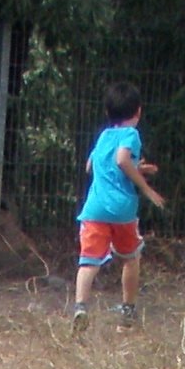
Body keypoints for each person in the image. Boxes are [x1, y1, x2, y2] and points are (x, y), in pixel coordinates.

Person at [74, 83, 165, 325]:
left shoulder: (104, 136)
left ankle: (81, 307)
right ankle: (128, 309)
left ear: (107, 113)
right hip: (122, 209)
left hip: (94, 209)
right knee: (130, 257)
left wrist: (136, 168)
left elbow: (90, 167)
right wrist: (145, 187)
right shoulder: (131, 135)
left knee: (89, 261)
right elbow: (122, 159)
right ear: (138, 111)